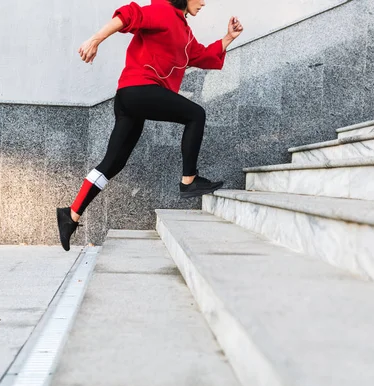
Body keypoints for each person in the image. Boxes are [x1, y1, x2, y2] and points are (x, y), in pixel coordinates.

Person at [57, 0, 244, 251]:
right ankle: (189, 180)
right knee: (195, 115)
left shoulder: (184, 31)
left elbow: (199, 55)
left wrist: (228, 37)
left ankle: (71, 214)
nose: (203, 2)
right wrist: (95, 40)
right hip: (139, 90)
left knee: (113, 163)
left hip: (129, 97)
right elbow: (129, 15)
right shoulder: (163, 11)